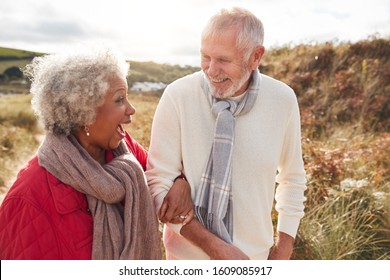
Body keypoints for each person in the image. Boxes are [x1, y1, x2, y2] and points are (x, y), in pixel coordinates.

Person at [0, 45, 192, 260]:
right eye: (119, 99)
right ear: (84, 113)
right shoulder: (27, 200)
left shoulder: (123, 148)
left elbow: (161, 175)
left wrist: (180, 181)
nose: (131, 109)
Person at [146, 7, 307, 260]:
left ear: (255, 57)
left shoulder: (282, 100)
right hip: (186, 261)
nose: (211, 70)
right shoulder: (178, 96)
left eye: (223, 60)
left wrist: (284, 248)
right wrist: (215, 247)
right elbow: (157, 184)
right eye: (205, 57)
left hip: (256, 258)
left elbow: (292, 179)